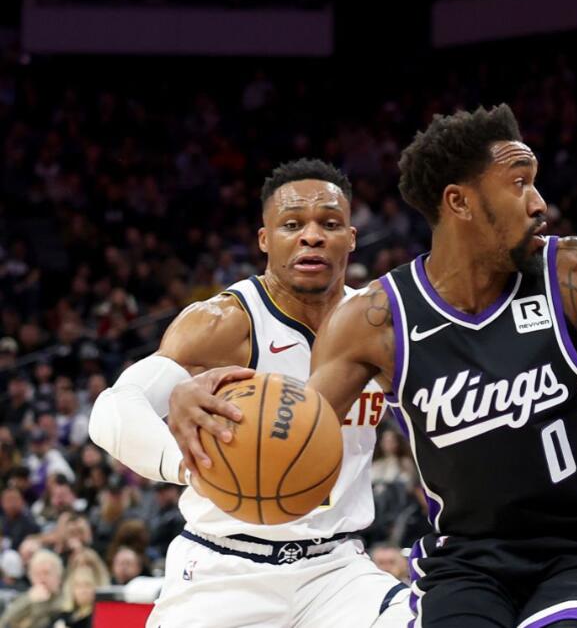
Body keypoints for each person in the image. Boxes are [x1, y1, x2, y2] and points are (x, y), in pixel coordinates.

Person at [295, 104, 577, 627]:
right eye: (519, 183)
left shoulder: (572, 272)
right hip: (465, 565)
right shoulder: (374, 320)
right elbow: (292, 443)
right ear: (459, 201)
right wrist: (212, 404)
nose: (539, 203)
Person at [88, 159, 411, 627]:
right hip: (224, 571)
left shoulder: (377, 325)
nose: (312, 236)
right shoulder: (225, 321)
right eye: (292, 225)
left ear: (352, 238)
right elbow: (112, 411)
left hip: (337, 570)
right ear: (265, 239)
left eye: (329, 224)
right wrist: (192, 467)